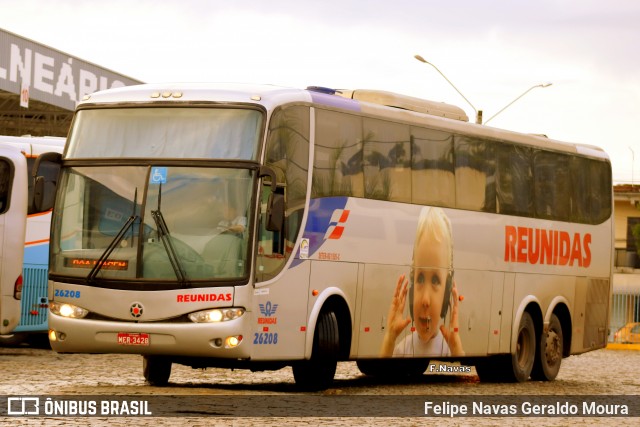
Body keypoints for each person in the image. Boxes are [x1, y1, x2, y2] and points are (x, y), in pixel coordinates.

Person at [380, 206, 464, 357]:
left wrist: (456, 348)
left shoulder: (449, 351)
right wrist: (389, 338)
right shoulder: (401, 350)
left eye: (435, 280)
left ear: (446, 295)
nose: (425, 300)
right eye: (419, 278)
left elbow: (462, 374)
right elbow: (383, 377)